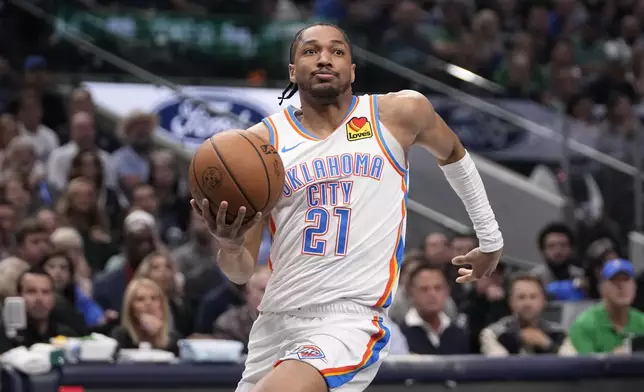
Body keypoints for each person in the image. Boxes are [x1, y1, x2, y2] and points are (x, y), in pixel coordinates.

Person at [192, 23, 504, 392]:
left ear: (352, 69)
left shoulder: (397, 114)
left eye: (337, 51)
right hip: (275, 320)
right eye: (310, 51)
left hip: (348, 320)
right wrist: (229, 244)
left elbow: (453, 154)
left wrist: (490, 237)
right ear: (293, 71)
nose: (324, 58)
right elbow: (241, 272)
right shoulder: (262, 145)